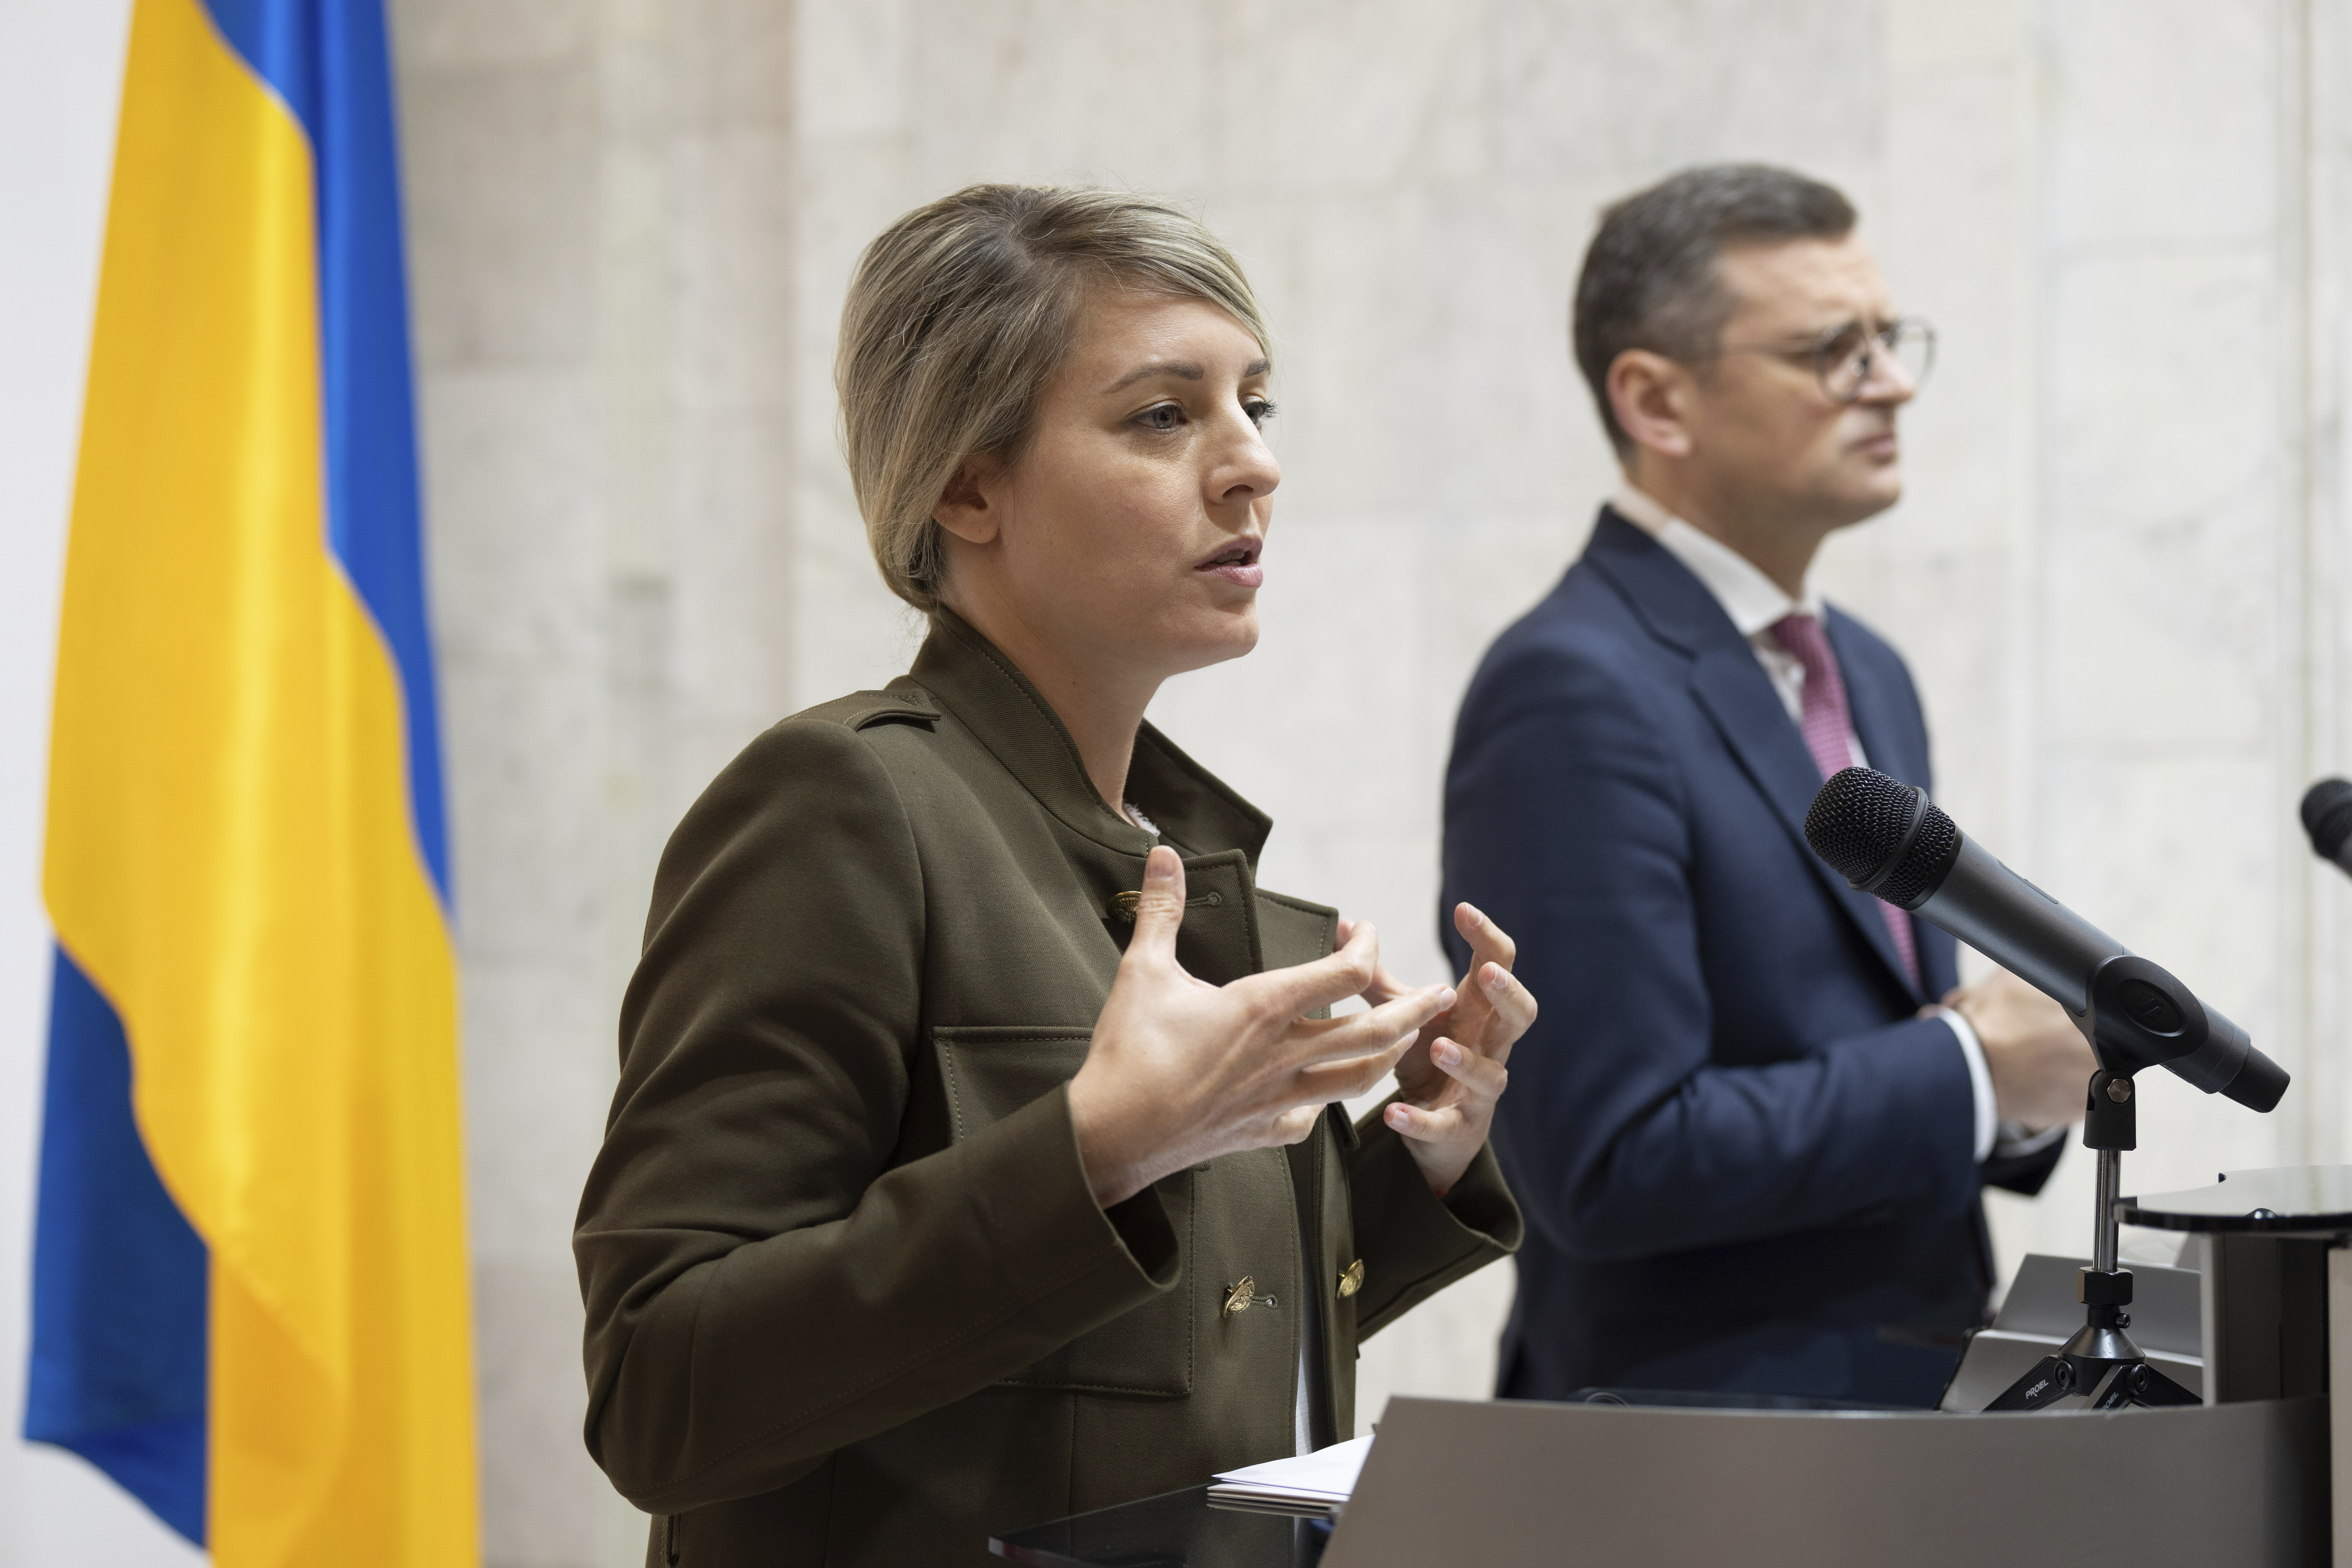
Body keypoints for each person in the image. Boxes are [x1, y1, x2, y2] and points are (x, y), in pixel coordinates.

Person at [575, 185, 1533, 1567]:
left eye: (1258, 404)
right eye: (1163, 415)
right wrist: (1099, 1150)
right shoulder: (845, 803)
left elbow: (1151, 1364)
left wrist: (1417, 1161)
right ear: (967, 486)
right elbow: (660, 1389)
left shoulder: (1197, 872)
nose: (1251, 462)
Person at [1440, 164, 2094, 1409]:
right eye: (1832, 351)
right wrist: (1971, 1074)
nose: (1890, 382)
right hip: (1695, 1455)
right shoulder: (1569, 686)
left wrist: (2020, 1095)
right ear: (1657, 401)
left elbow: (1874, 1041)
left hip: (1912, 1420)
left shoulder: (1870, 671)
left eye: (1890, 341)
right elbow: (1605, 1161)